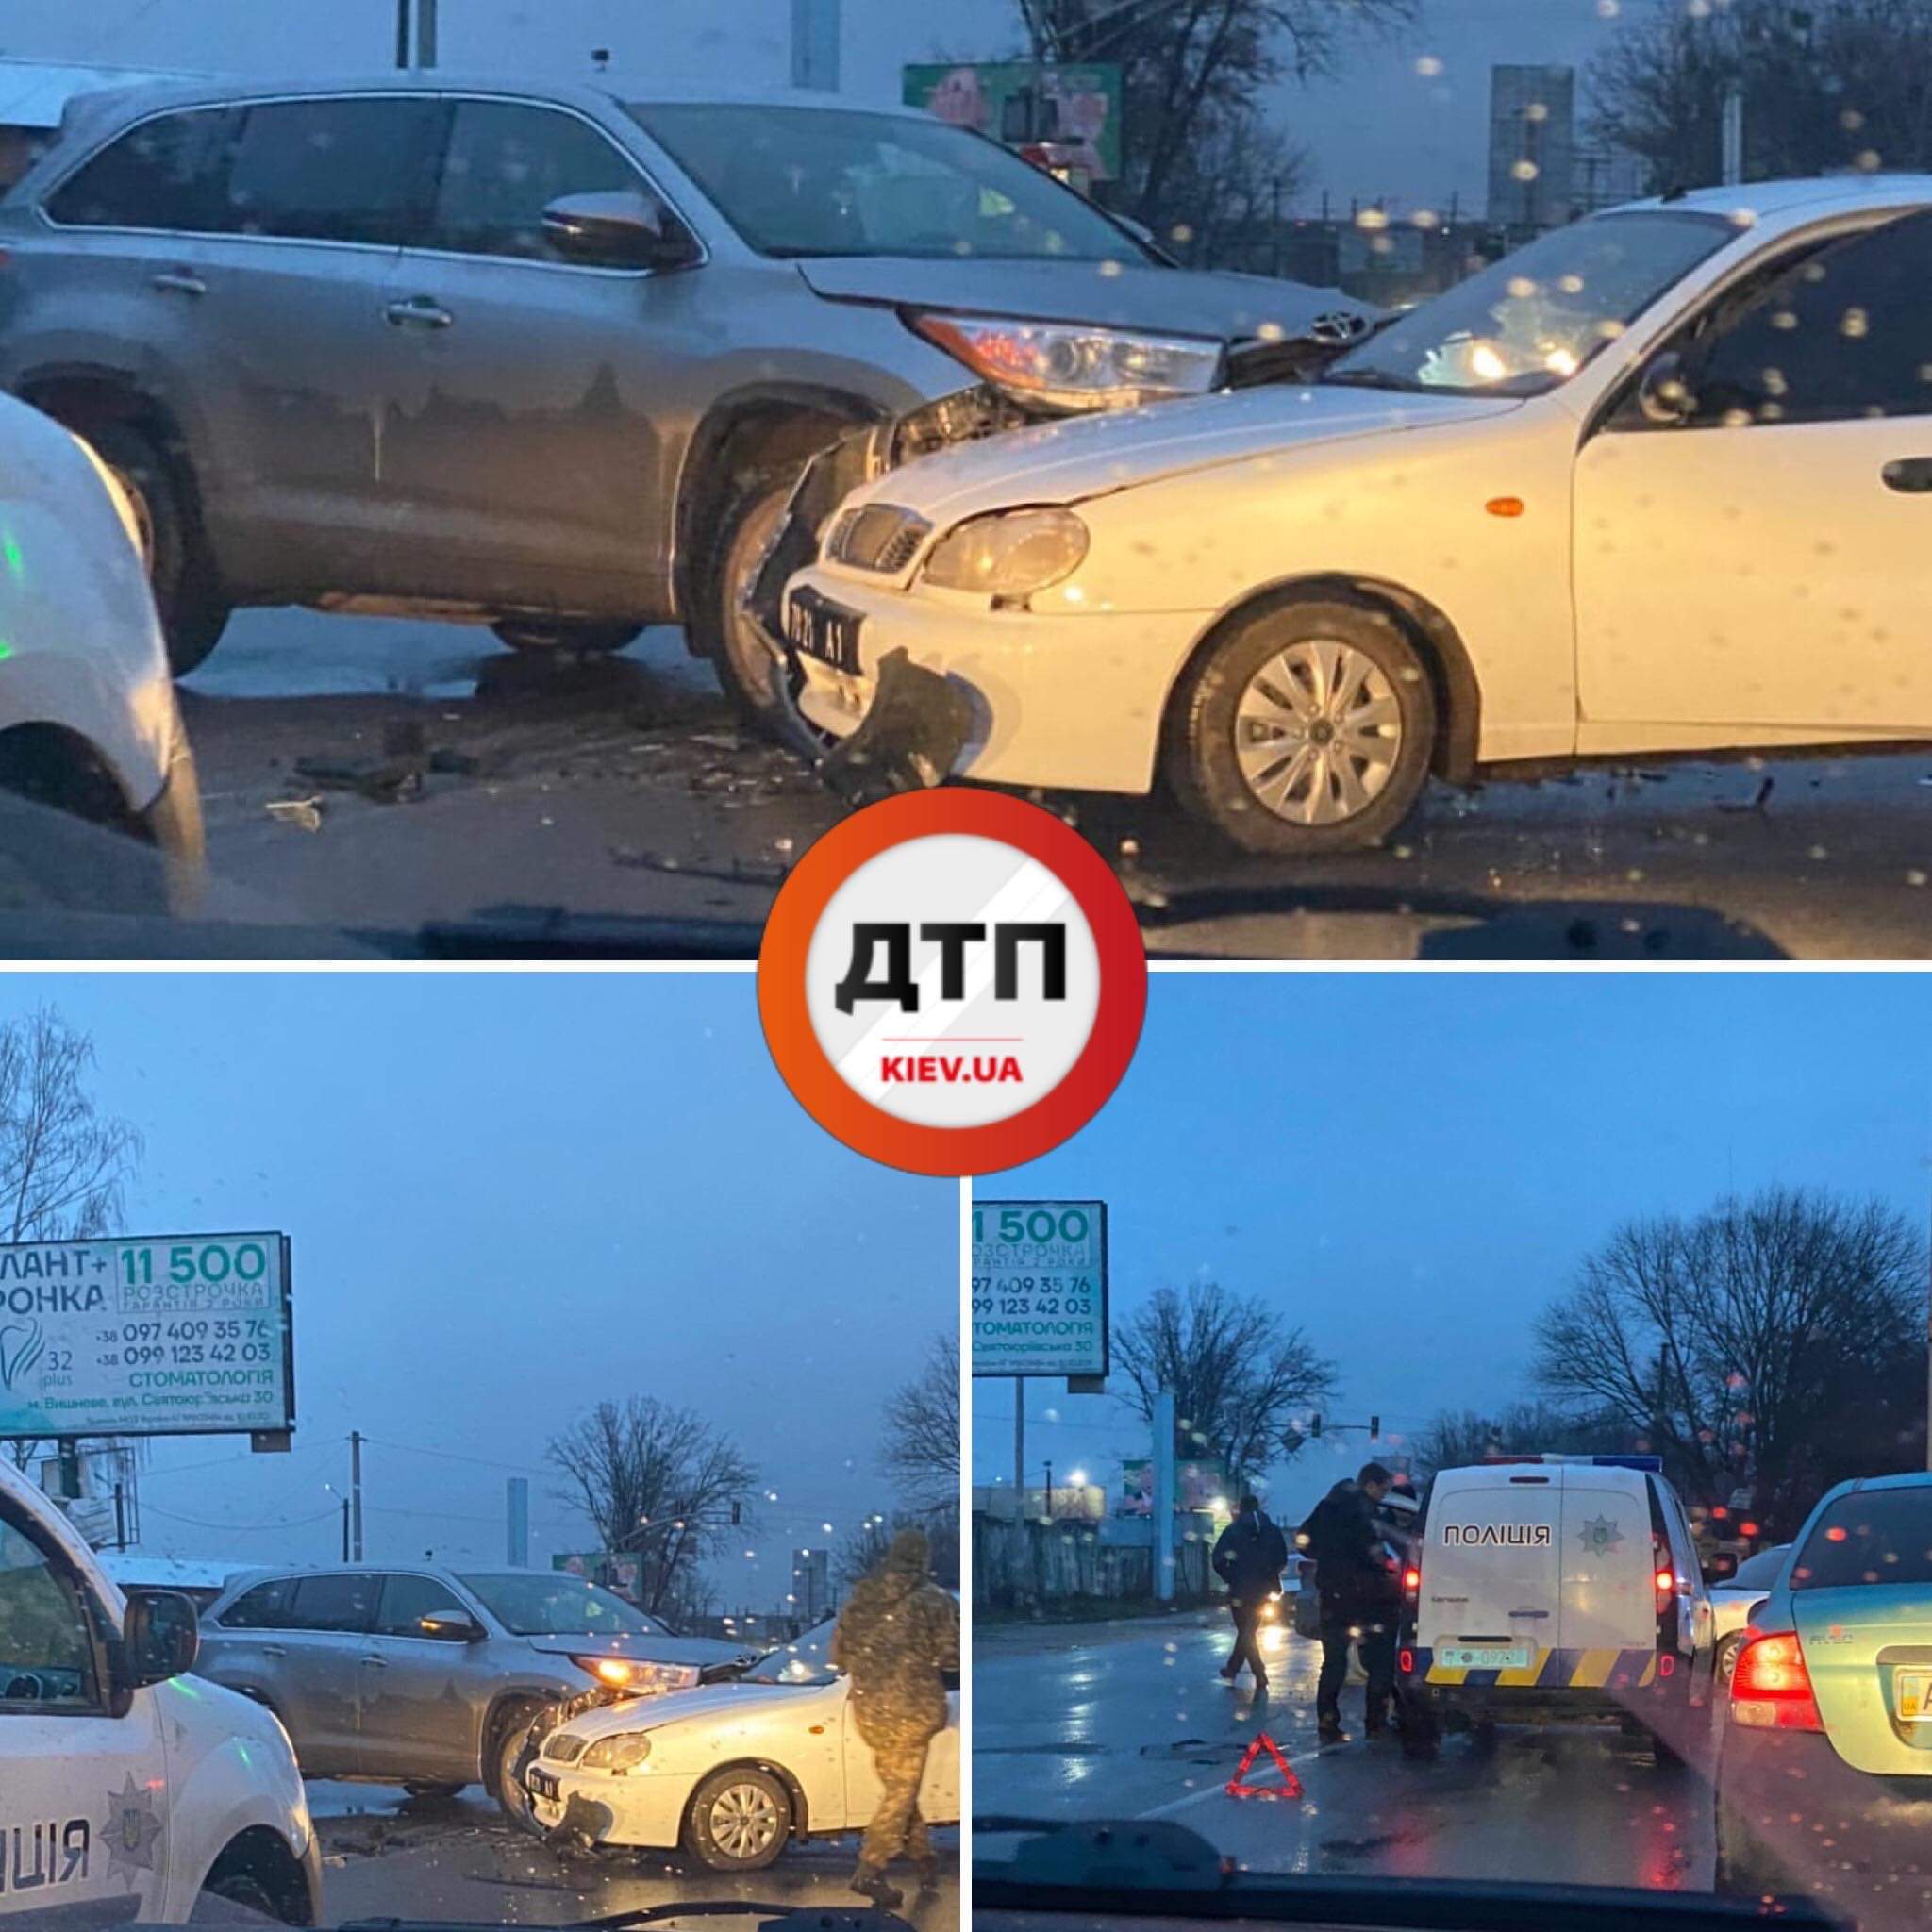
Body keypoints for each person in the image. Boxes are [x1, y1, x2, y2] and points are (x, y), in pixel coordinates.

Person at [829, 1525, 959, 1907]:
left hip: (870, 1709)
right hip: (913, 1710)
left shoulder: (862, 1597)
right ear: (924, 1559)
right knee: (901, 1791)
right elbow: (950, 1656)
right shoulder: (933, 1602)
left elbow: (838, 1653)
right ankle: (869, 1870)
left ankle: (925, 1863)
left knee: (901, 1788)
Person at [1298, 1461, 1400, 1742]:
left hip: (1333, 1596)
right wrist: (1388, 1566)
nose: (1383, 1494)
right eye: (1383, 1489)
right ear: (1370, 1484)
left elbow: (1303, 1542)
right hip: (1369, 1598)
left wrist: (1329, 1559)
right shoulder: (1364, 1511)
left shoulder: (1327, 1507)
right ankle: (1376, 1723)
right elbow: (1374, 1552)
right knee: (1380, 1661)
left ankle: (1327, 1723)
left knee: (1334, 1662)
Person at [1211, 1493, 1288, 1690]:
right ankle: (1233, 1669)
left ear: (1241, 1508)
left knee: (1246, 1632)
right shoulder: (1272, 1530)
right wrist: (1269, 1575)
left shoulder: (1232, 1531)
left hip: (1239, 1590)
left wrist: (1232, 1576)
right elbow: (1281, 1559)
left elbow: (1218, 1560)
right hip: (1264, 1591)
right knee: (1248, 1631)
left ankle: (1258, 1673)